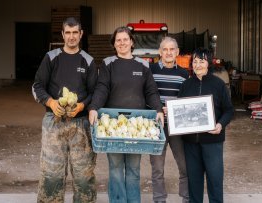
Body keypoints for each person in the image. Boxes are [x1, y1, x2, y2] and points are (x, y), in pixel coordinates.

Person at [88, 26, 164, 203]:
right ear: (114, 44)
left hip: (135, 127)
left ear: (131, 42)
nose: (122, 43)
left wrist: (158, 109)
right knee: (115, 169)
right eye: (118, 40)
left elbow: (151, 91)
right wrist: (93, 107)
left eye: (125, 39)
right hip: (113, 126)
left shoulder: (143, 65)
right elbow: (102, 88)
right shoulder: (108, 64)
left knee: (133, 169)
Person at [32, 17, 98, 203]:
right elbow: (37, 86)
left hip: (81, 125)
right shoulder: (51, 58)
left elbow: (96, 93)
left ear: (81, 34)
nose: (71, 37)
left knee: (84, 175)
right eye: (67, 33)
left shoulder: (88, 61)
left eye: (75, 32)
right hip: (54, 123)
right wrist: (51, 103)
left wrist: (82, 105)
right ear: (62, 34)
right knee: (51, 173)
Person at [178, 48, 233, 203]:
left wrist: (221, 124)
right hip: (190, 142)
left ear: (208, 63)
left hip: (213, 141)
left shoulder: (219, 84)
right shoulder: (186, 85)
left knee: (215, 180)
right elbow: (180, 110)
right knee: (194, 181)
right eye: (194, 61)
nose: (198, 64)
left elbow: (229, 110)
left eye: (201, 61)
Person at [149, 37, 189, 203]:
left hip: (177, 125)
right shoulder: (150, 70)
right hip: (156, 126)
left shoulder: (183, 73)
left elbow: (186, 99)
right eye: (165, 49)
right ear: (160, 52)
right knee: (157, 168)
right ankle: (159, 199)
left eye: (172, 49)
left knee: (185, 165)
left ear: (177, 52)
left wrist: (173, 108)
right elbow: (148, 94)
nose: (168, 52)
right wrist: (159, 109)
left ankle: (186, 198)